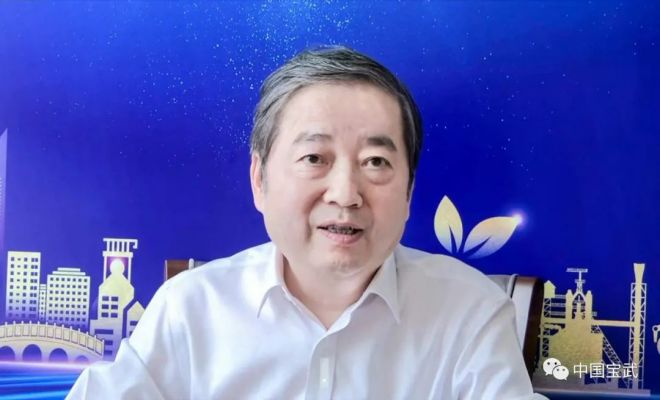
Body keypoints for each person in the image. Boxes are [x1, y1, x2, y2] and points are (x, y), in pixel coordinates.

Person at [67, 46, 546, 399]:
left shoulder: (469, 312)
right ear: (260, 180)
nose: (345, 193)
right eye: (315, 157)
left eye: (376, 162)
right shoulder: (191, 309)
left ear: (409, 191)